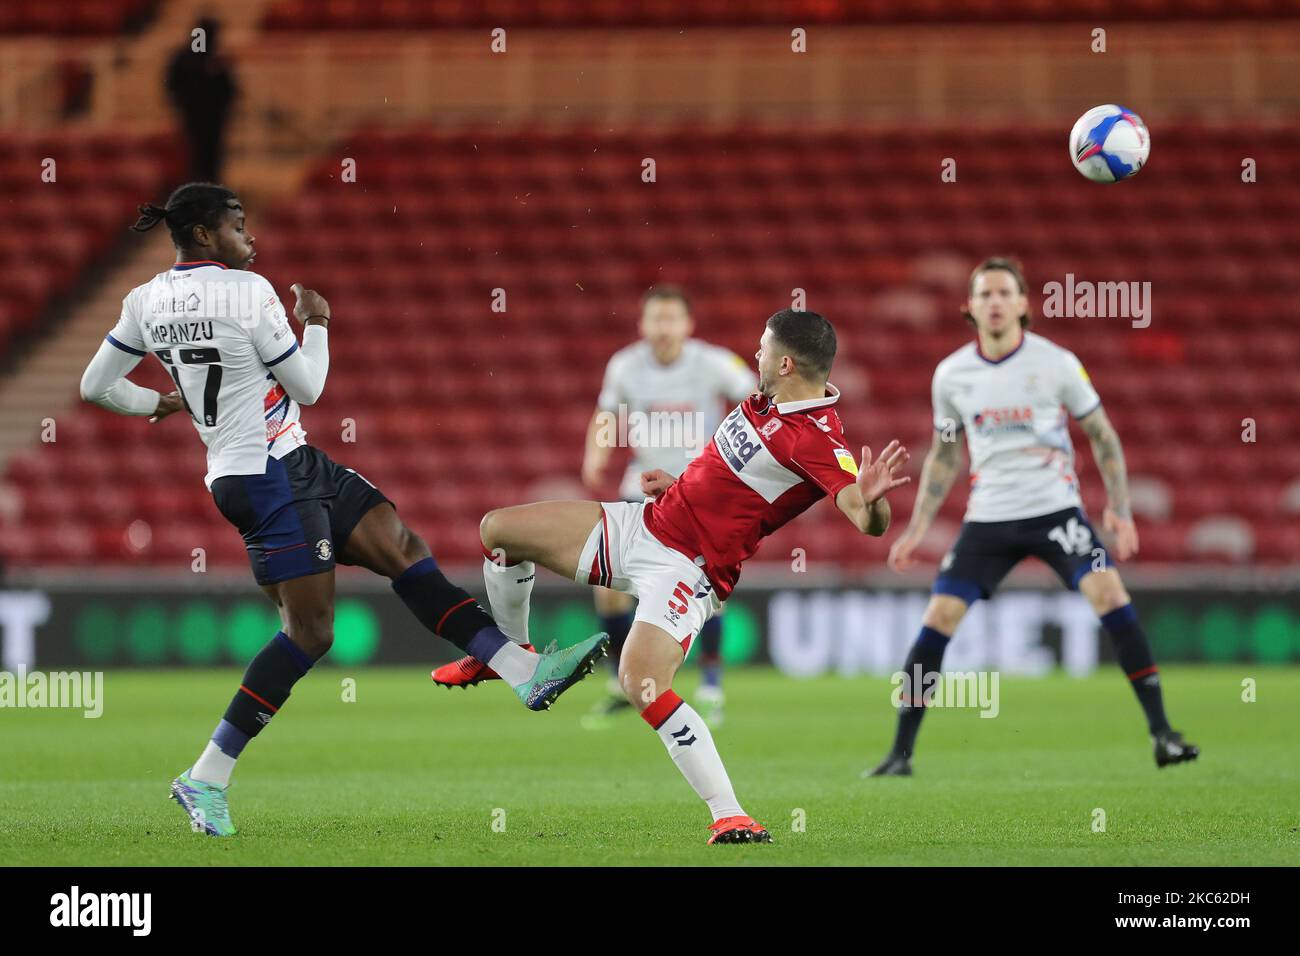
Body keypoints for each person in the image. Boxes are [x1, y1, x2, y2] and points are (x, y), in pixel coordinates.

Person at [78, 182, 608, 837]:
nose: (253, 238)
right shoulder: (249, 292)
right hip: (268, 476)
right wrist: (319, 321)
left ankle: (525, 672)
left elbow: (93, 384)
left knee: (401, 547)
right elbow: (310, 385)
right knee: (311, 633)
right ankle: (205, 776)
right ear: (206, 234)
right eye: (239, 225)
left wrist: (150, 403)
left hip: (288, 462)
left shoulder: (143, 300)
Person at [439, 309, 910, 844]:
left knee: (642, 684)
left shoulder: (818, 439)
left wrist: (874, 505)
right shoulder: (766, 401)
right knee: (498, 530)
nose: (753, 355)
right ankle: (515, 658)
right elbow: (729, 468)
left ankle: (730, 813)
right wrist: (680, 483)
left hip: (687, 567)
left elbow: (863, 516)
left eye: (761, 347)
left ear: (783, 361)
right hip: (646, 521)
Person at [867, 257, 1198, 777]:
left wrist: (1121, 509)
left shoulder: (1057, 363)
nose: (994, 302)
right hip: (989, 518)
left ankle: (1163, 734)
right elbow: (946, 454)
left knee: (1109, 592)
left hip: (1056, 510)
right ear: (969, 308)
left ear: (1024, 304)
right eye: (984, 295)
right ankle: (899, 755)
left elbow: (1102, 434)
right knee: (939, 618)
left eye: (1004, 293)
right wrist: (917, 529)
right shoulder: (952, 375)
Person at [165, 18, 237, 184]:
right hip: (193, 118)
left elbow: (229, 90)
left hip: (214, 121)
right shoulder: (186, 59)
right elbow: (174, 85)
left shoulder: (217, 61)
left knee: (211, 161)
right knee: (193, 159)